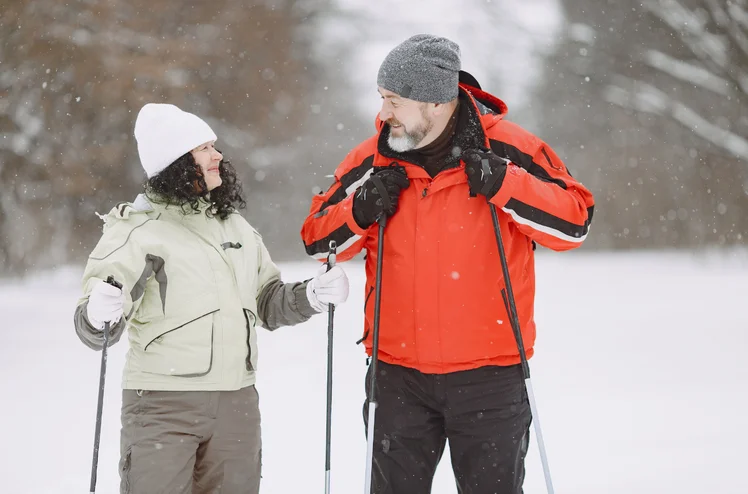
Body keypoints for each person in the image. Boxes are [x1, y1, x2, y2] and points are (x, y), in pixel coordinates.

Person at [301, 34, 595, 494]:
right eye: (382, 99)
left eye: (393, 101)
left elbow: (574, 223)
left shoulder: (510, 148)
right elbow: (316, 239)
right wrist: (358, 211)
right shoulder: (372, 160)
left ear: (435, 103)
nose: (383, 114)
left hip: (491, 377)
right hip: (397, 377)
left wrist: (506, 184)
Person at [74, 103, 350, 494]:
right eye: (204, 147)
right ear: (176, 161)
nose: (218, 155)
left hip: (237, 404)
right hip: (161, 407)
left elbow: (267, 302)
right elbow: (97, 324)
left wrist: (311, 295)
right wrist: (97, 315)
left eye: (214, 146)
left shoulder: (234, 226)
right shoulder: (138, 230)